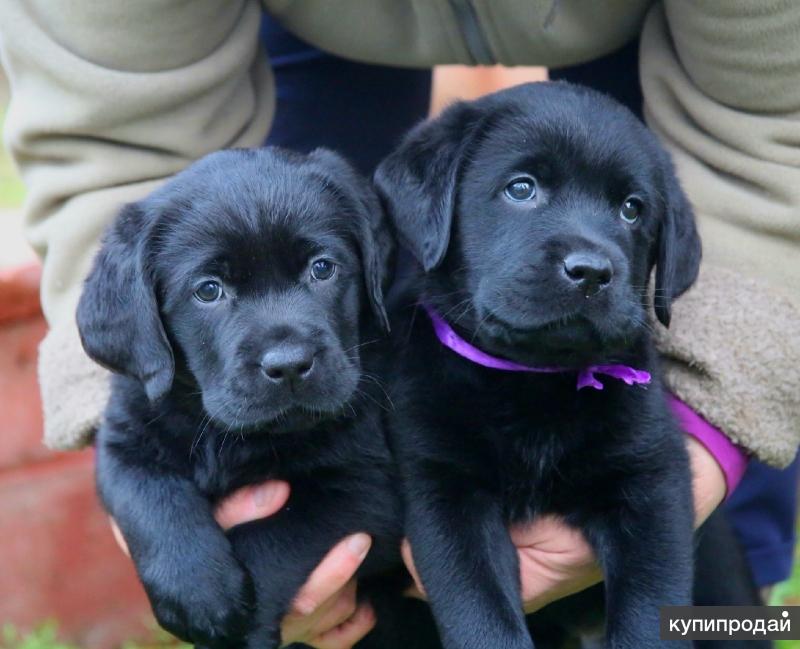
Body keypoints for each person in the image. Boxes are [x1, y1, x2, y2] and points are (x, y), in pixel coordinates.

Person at [1, 3, 798, 648]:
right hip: (315, 24)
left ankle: (746, 619)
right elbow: (116, 147)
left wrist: (712, 431)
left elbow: (772, 130)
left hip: (672, 34)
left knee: (704, 560)